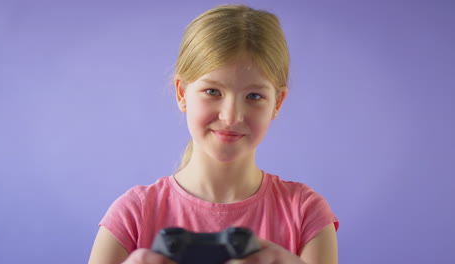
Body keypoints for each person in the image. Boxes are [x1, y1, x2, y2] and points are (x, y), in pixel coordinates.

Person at [89, 4, 339, 264]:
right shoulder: (133, 215)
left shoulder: (306, 214)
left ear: (277, 103)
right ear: (181, 93)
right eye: (212, 92)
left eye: (254, 96)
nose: (231, 117)